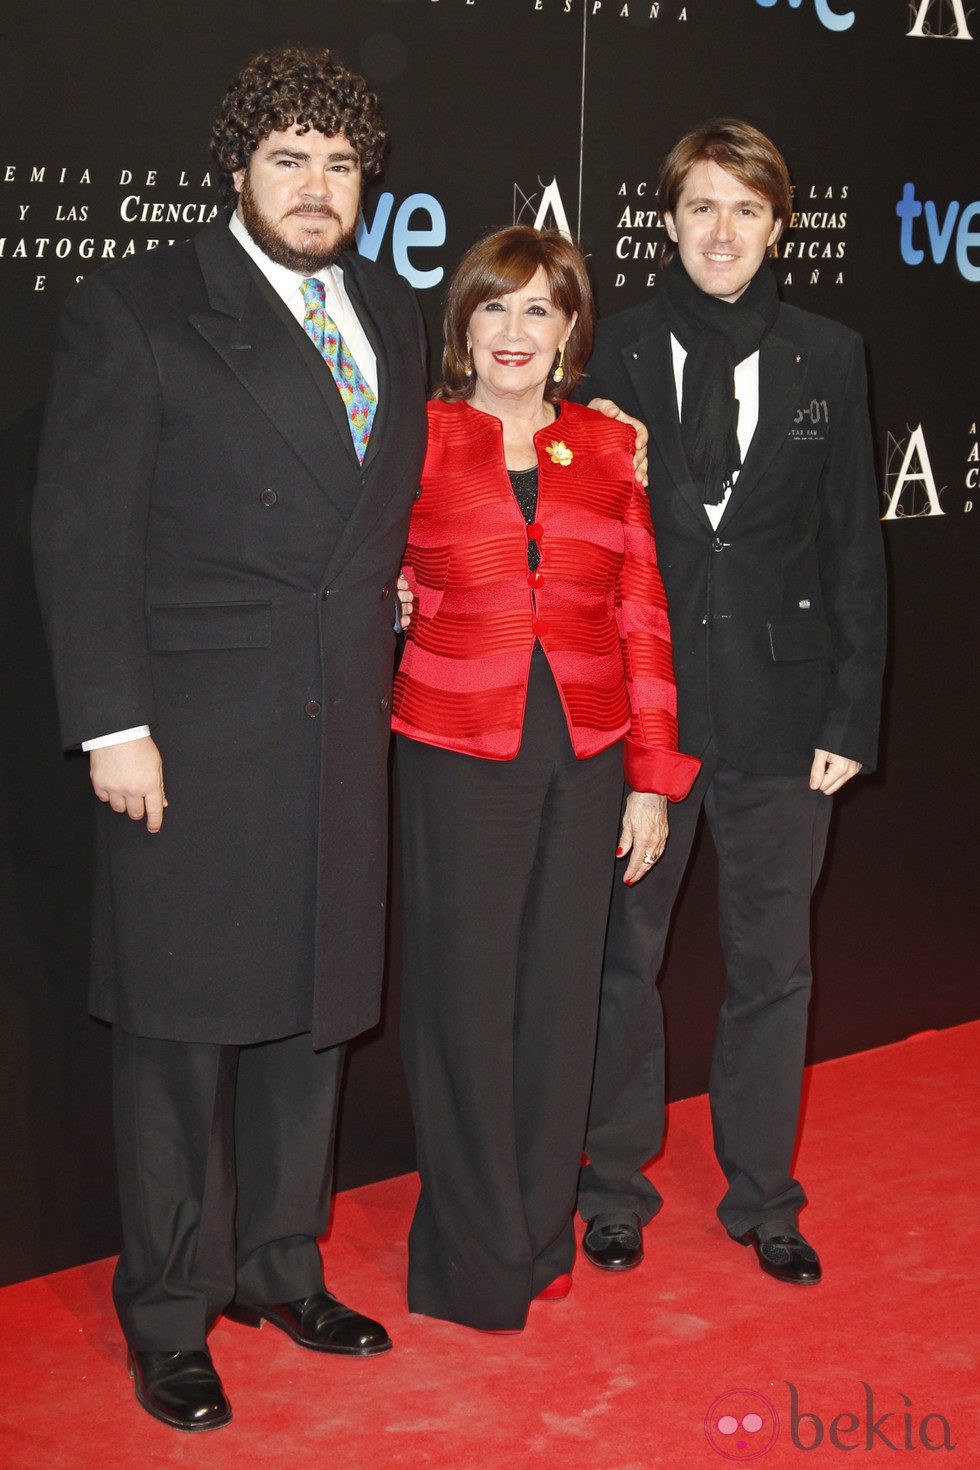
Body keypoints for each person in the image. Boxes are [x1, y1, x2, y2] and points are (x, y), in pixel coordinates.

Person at [31, 48, 428, 1430]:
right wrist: (112, 723)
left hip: (338, 729)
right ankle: (170, 1309)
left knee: (310, 1018)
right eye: (289, 161)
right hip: (190, 736)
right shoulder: (138, 307)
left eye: (340, 165)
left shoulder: (391, 306)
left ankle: (279, 1264)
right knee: (176, 1036)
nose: (317, 190)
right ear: (238, 171)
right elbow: (80, 533)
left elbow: (378, 516)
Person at [573, 119, 887, 1286]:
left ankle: (764, 1196)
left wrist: (848, 717)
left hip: (780, 713)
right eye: (700, 206)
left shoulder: (828, 354)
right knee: (621, 959)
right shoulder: (613, 349)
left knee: (772, 965)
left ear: (775, 226)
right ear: (668, 219)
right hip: (644, 712)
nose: (721, 231)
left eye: (744, 210)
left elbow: (852, 543)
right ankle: (610, 1182)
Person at [391, 225, 700, 1333]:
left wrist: (652, 778)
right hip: (453, 750)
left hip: (586, 754)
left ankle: (537, 1229)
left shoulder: (608, 451)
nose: (514, 332)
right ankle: (473, 1253)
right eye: (494, 307)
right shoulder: (413, 438)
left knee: (561, 1004)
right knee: (464, 1008)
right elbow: (359, 571)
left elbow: (641, 615)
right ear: (461, 324)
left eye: (539, 310)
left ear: (571, 331)